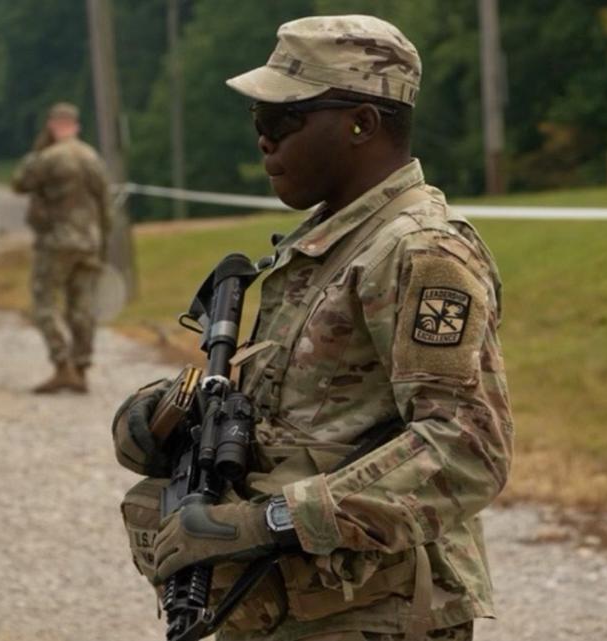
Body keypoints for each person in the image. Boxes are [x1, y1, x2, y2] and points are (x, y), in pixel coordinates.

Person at [112, 15, 512, 641]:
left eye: (282, 121)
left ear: (361, 124)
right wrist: (176, 416)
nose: (264, 141)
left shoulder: (420, 252)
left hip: (378, 616)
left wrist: (265, 522)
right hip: (298, 607)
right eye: (258, 122)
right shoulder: (327, 245)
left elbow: (465, 449)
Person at [11, 102, 111, 394]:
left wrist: (38, 149)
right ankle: (82, 367)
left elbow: (20, 183)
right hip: (89, 241)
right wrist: (103, 243)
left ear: (53, 126)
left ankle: (62, 364)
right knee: (82, 306)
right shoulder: (92, 157)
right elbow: (106, 205)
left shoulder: (48, 157)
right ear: (76, 127)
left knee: (44, 301)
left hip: (57, 241)